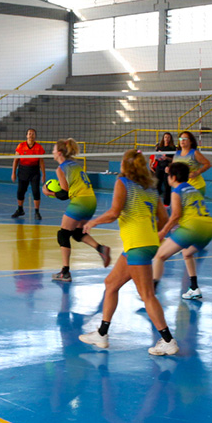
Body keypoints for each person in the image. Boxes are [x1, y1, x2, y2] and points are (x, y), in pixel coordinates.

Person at [78, 150, 178, 356]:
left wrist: (93, 222)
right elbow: (162, 217)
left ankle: (168, 340)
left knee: (147, 295)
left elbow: (114, 212)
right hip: (146, 242)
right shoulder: (150, 187)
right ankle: (102, 334)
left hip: (138, 244)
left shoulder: (122, 183)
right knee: (111, 284)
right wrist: (152, 235)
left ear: (125, 165)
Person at [45, 138, 111, 282]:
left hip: (80, 201)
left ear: (60, 152)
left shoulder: (61, 168)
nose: (52, 152)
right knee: (76, 232)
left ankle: (65, 272)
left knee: (63, 235)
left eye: (54, 149)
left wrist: (49, 192)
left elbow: (64, 194)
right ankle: (100, 249)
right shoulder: (74, 165)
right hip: (91, 200)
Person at [153, 161, 212, 300]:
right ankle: (194, 288)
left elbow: (175, 216)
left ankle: (150, 290)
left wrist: (163, 232)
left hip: (192, 228)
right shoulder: (193, 189)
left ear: (173, 178)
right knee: (187, 253)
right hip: (208, 228)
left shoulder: (177, 191)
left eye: (168, 175)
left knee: (159, 256)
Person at [11, 128, 46, 220]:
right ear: (26, 135)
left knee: (36, 192)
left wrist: (44, 174)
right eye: (29, 134)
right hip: (23, 171)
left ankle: (37, 212)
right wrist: (13, 173)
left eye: (33, 134)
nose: (31, 135)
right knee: (20, 191)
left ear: (35, 136)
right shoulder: (21, 146)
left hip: (34, 171)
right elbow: (15, 160)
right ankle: (20, 209)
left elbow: (41, 162)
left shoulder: (39, 147)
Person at [173, 131, 212, 197]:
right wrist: (168, 169)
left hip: (195, 186)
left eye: (185, 139)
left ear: (191, 141)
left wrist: (197, 172)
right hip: (182, 186)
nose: (182, 141)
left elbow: (207, 164)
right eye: (180, 139)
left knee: (192, 206)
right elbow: (173, 167)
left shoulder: (194, 153)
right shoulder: (177, 154)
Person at [151, 132, 177, 206]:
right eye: (165, 137)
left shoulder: (173, 148)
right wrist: (154, 162)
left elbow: (174, 159)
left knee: (167, 185)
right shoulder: (159, 147)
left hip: (167, 167)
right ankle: (156, 201)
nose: (167, 139)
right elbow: (155, 157)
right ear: (163, 138)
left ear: (170, 139)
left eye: (168, 137)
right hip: (159, 167)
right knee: (157, 184)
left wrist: (167, 158)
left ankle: (166, 204)